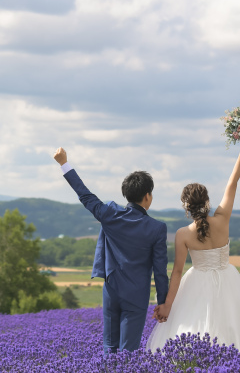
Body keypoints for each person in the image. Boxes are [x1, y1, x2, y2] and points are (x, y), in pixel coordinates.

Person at [148, 143, 240, 359]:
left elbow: (176, 273)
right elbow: (233, 181)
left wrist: (167, 306)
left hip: (196, 284)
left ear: (185, 207)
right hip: (228, 280)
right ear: (207, 201)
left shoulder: (183, 234)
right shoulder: (222, 220)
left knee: (192, 330)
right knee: (237, 331)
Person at [53, 147, 168, 353]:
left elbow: (85, 195)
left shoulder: (110, 214)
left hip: (111, 291)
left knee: (109, 349)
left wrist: (64, 164)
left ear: (127, 194)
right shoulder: (157, 228)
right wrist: (163, 303)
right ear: (148, 196)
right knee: (128, 353)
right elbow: (160, 271)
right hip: (136, 295)